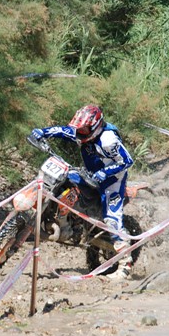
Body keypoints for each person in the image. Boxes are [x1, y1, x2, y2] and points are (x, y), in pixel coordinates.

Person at [29, 105, 134, 279]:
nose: (80, 132)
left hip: (113, 179)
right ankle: (66, 218)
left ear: (96, 126)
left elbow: (127, 161)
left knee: (111, 218)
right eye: (79, 129)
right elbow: (64, 131)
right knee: (65, 179)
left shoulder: (108, 139)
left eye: (84, 129)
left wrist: (105, 172)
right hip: (92, 173)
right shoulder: (81, 131)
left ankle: (125, 265)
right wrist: (43, 132)